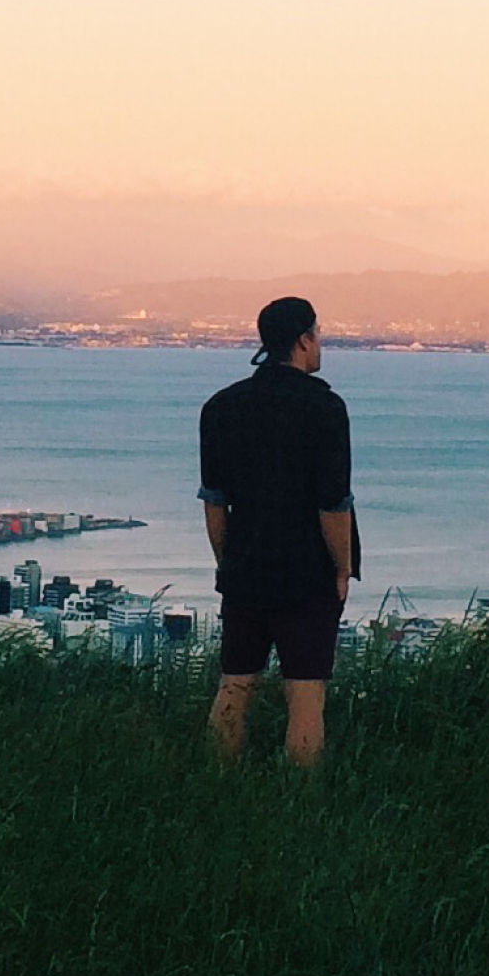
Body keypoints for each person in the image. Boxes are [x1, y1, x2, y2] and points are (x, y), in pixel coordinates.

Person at [199, 295, 359, 766]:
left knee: (236, 683)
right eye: (317, 334)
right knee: (306, 694)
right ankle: (300, 810)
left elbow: (214, 501)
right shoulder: (325, 408)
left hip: (245, 567)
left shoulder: (221, 406)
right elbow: (333, 506)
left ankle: (215, 787)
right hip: (307, 570)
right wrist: (342, 568)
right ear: (304, 339)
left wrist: (228, 562)